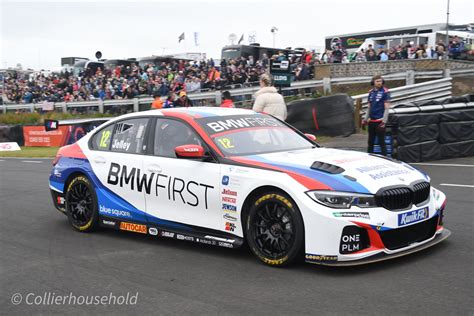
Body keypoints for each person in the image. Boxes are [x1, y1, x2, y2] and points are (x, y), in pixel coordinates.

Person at [362, 75, 390, 156]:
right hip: (371, 121)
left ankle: (385, 158)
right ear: (373, 82)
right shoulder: (371, 92)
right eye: (377, 81)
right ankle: (369, 158)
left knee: (382, 142)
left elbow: (387, 108)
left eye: (380, 81)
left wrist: (384, 122)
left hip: (380, 121)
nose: (379, 83)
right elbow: (369, 107)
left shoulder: (385, 92)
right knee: (370, 142)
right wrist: (365, 120)